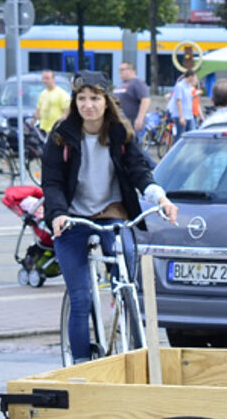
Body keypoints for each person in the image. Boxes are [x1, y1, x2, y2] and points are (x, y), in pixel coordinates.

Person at [42, 72, 178, 363]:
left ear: (107, 101)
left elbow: (139, 172)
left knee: (126, 271)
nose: (88, 105)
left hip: (112, 213)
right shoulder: (61, 135)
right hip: (72, 218)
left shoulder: (120, 133)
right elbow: (52, 182)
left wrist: (161, 198)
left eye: (94, 98)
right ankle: (79, 363)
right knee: (81, 298)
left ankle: (122, 306)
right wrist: (57, 214)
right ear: (74, 101)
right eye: (81, 98)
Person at [114, 61, 149, 134]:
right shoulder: (120, 84)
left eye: (122, 70)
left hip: (133, 124)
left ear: (130, 70)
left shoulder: (137, 82)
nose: (120, 72)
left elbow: (145, 100)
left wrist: (140, 119)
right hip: (120, 123)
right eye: (119, 70)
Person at [165, 70, 200, 140]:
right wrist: (181, 117)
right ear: (190, 77)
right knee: (180, 136)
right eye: (195, 78)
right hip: (181, 115)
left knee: (191, 134)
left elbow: (186, 99)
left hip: (189, 115)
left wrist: (194, 96)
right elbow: (178, 101)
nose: (196, 80)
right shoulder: (180, 86)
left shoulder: (189, 86)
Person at [33, 69, 70, 134]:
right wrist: (32, 122)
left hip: (56, 131)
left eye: (47, 78)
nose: (45, 81)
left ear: (53, 79)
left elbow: (66, 113)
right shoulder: (43, 94)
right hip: (43, 130)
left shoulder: (62, 94)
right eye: (43, 78)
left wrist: (58, 125)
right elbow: (38, 110)